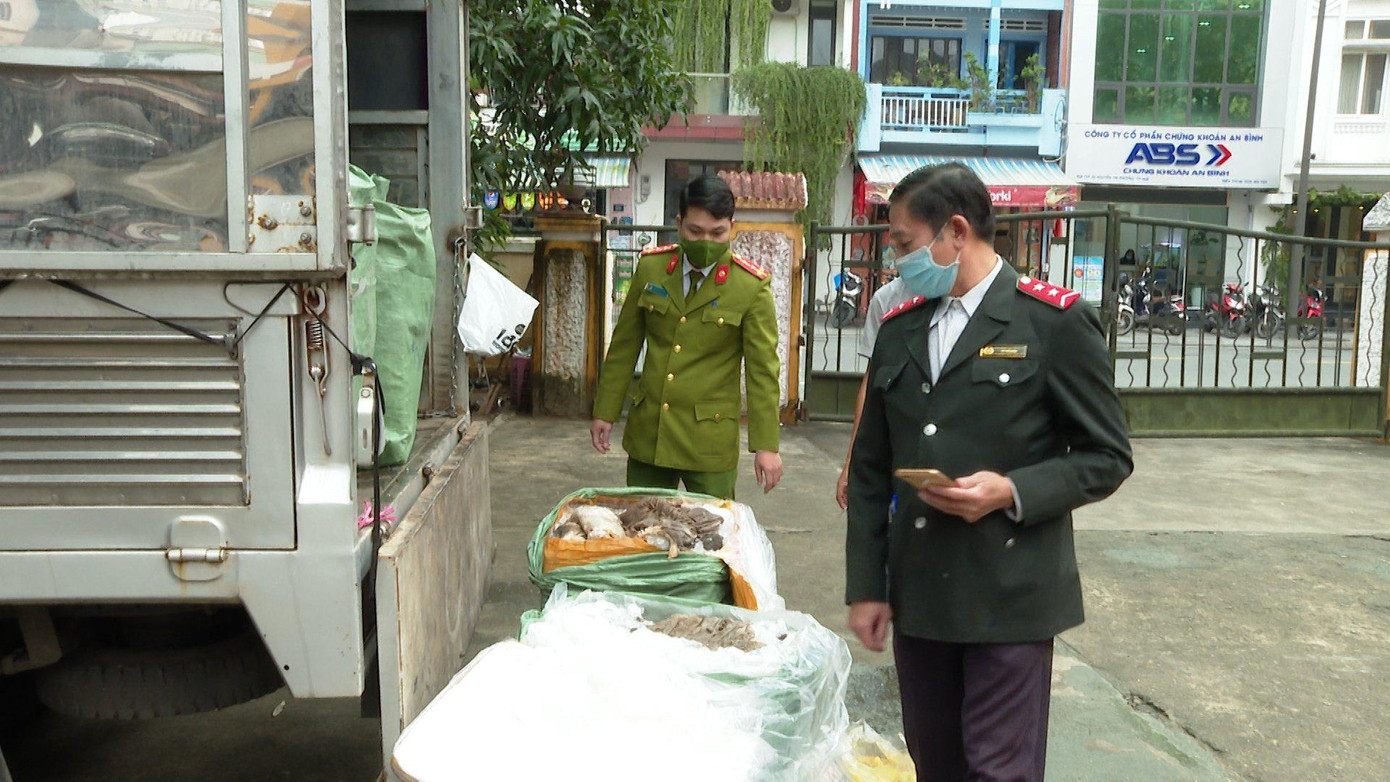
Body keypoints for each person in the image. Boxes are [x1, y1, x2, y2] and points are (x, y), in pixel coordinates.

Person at [845, 163, 1133, 780]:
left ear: (955, 231)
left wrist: (1013, 490)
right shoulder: (900, 328)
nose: (896, 260)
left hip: (1011, 591)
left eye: (903, 243)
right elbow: (870, 472)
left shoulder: (1051, 323)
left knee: (999, 768)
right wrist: (868, 586)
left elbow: (1107, 455)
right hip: (922, 593)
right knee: (936, 762)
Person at [590, 175, 783, 499]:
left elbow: (762, 370)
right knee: (644, 533)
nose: (706, 241)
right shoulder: (652, 269)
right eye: (695, 231)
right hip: (651, 432)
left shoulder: (749, 286)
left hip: (708, 441)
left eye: (717, 232)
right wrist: (605, 411)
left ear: (731, 227)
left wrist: (766, 445)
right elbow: (625, 345)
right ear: (679, 224)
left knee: (712, 538)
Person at [834, 275, 916, 508]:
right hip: (894, 455)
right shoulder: (887, 299)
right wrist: (852, 462)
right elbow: (871, 383)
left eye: (909, 245)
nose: (903, 257)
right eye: (898, 247)